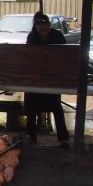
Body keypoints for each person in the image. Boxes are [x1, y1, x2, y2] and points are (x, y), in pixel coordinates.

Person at [24, 11, 70, 147]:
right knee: (31, 109)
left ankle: (64, 139)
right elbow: (30, 56)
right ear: (36, 27)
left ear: (49, 26)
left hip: (52, 78)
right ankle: (30, 137)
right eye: (39, 26)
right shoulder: (32, 37)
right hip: (35, 79)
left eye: (45, 26)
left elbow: (63, 56)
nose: (42, 30)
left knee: (56, 107)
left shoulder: (57, 36)